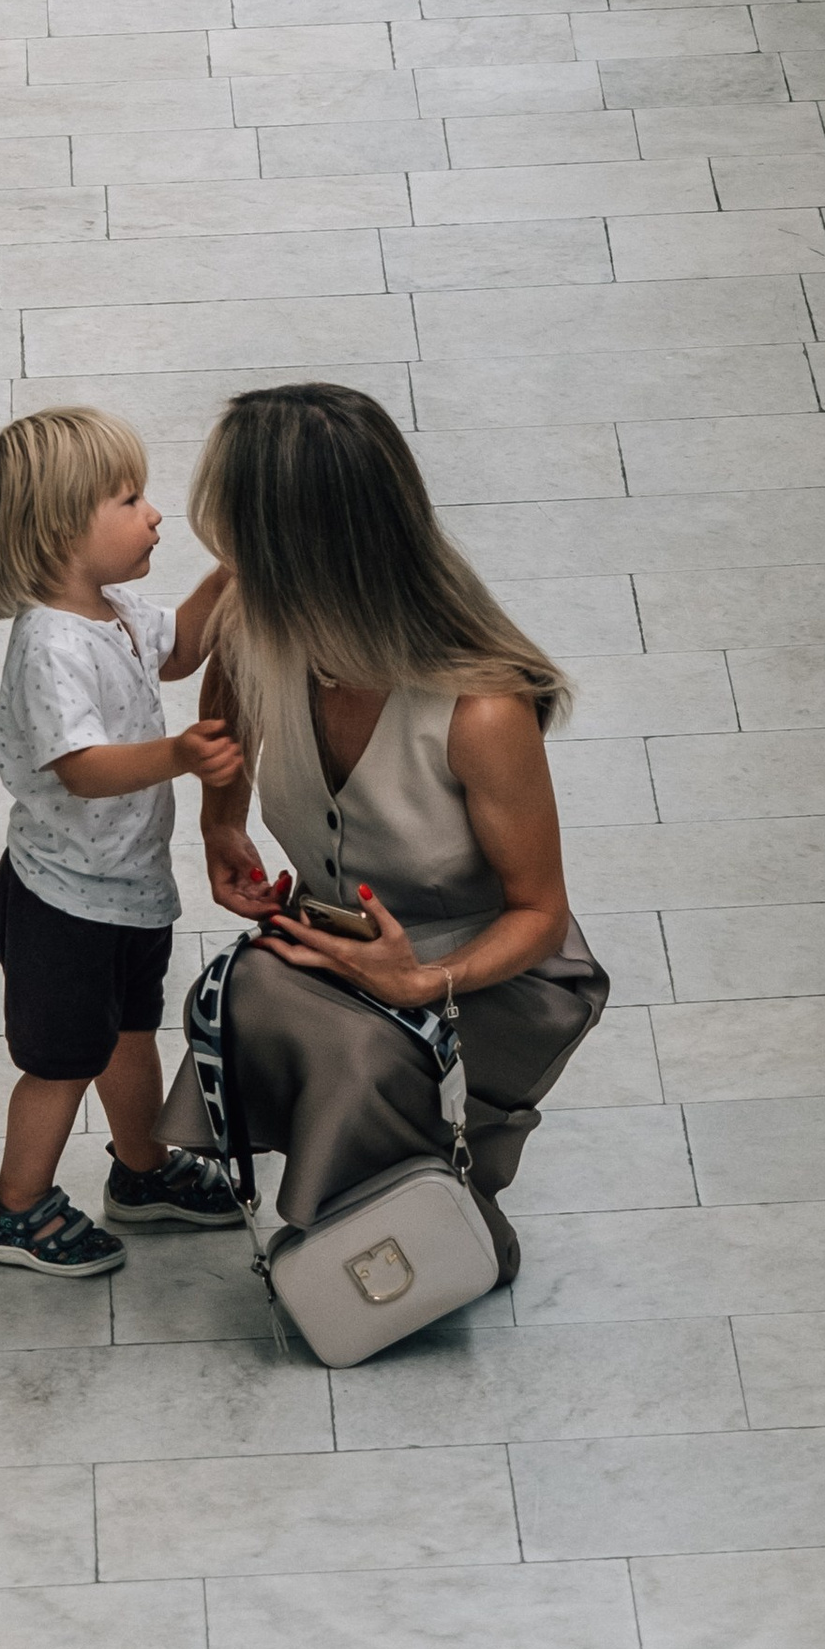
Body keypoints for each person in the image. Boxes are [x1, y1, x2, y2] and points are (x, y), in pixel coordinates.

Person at [159, 381, 607, 1280]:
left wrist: (423, 979)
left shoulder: (481, 710)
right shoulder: (257, 625)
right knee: (239, 996)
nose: (222, 563)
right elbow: (223, 707)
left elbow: (540, 913)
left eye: (241, 544)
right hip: (353, 942)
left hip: (488, 972)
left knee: (359, 1053)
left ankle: (423, 1230)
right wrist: (221, 825)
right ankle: (365, 1206)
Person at [0, 404, 252, 1276]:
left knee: (129, 1032)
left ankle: (142, 1171)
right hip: (64, 903)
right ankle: (13, 1208)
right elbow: (79, 766)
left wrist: (232, 570)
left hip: (121, 888)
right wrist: (178, 755)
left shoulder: (111, 608)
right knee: (61, 1063)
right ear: (57, 532)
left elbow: (183, 649)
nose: (153, 512)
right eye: (129, 498)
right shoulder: (50, 643)